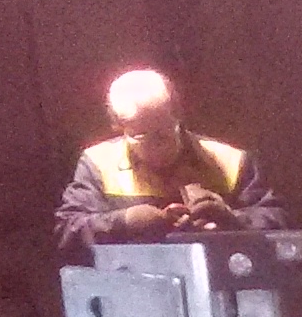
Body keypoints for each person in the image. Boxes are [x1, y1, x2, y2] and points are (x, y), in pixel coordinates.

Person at [54, 69, 283, 268]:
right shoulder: (99, 163)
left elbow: (278, 224)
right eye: (141, 137)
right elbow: (68, 231)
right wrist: (124, 222)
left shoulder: (230, 161)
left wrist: (231, 219)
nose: (155, 147)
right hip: (135, 287)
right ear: (118, 126)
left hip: (216, 283)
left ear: (178, 116)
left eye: (163, 134)